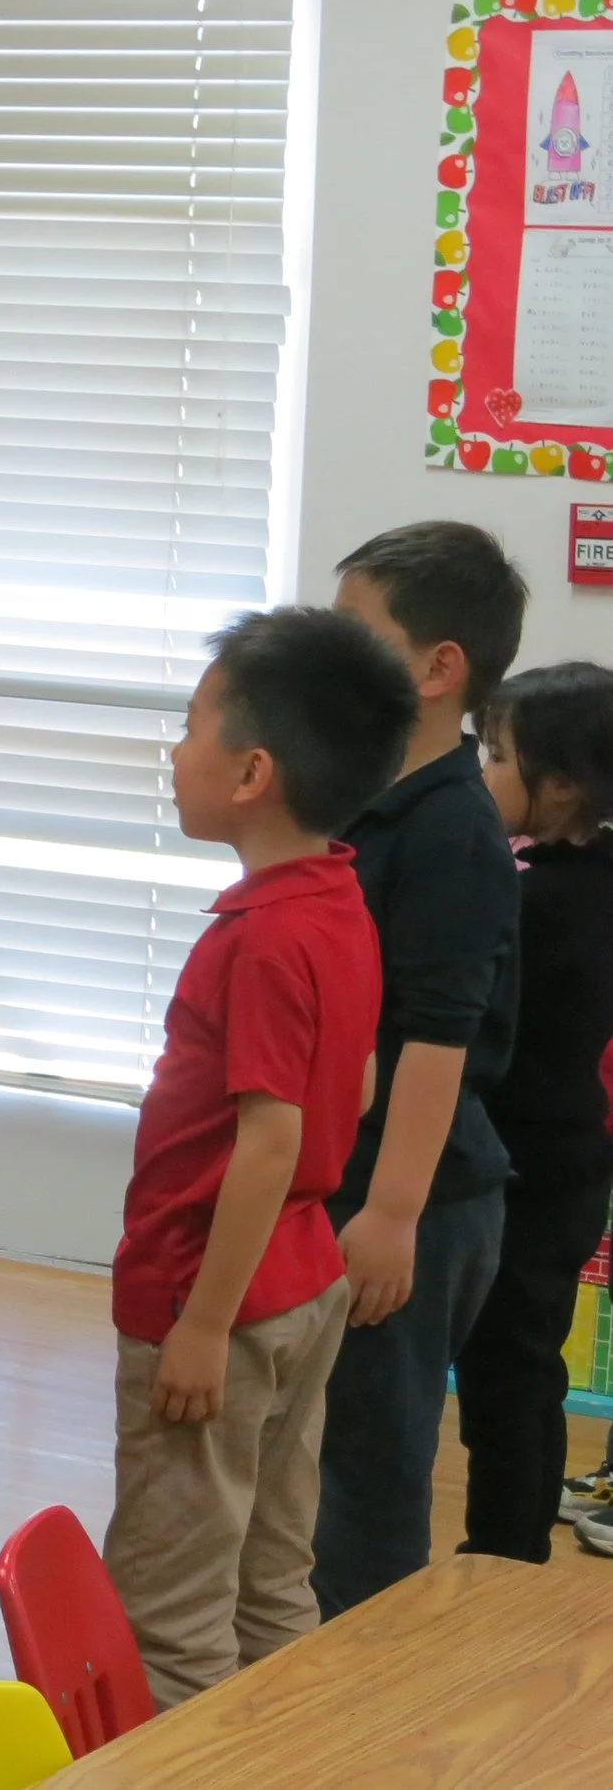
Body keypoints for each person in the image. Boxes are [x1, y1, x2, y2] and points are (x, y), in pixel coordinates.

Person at [103, 610, 415, 1708]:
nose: (171, 752)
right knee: (270, 1582)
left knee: (168, 1616)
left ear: (250, 772)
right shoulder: (337, 898)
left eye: (189, 728)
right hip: (304, 1280)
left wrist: (198, 1322)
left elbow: (268, 1140)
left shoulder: (258, 937)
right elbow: (361, 1083)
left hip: (217, 1302)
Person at [315, 522, 529, 1615]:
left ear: (439, 669)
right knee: (320, 1467)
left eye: (358, 632)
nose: (330, 649)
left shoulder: (452, 828)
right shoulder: (368, 796)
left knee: (364, 1486)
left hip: (418, 1194)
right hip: (355, 1174)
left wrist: (390, 1211)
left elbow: (439, 1038)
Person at [455, 663, 613, 1562]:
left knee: (507, 1373)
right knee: (527, 1365)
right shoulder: (584, 882)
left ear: (560, 787)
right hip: (570, 1168)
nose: (484, 773)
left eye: (499, 756)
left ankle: (504, 1551)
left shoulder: (541, 899)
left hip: (530, 1170)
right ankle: (511, 1544)